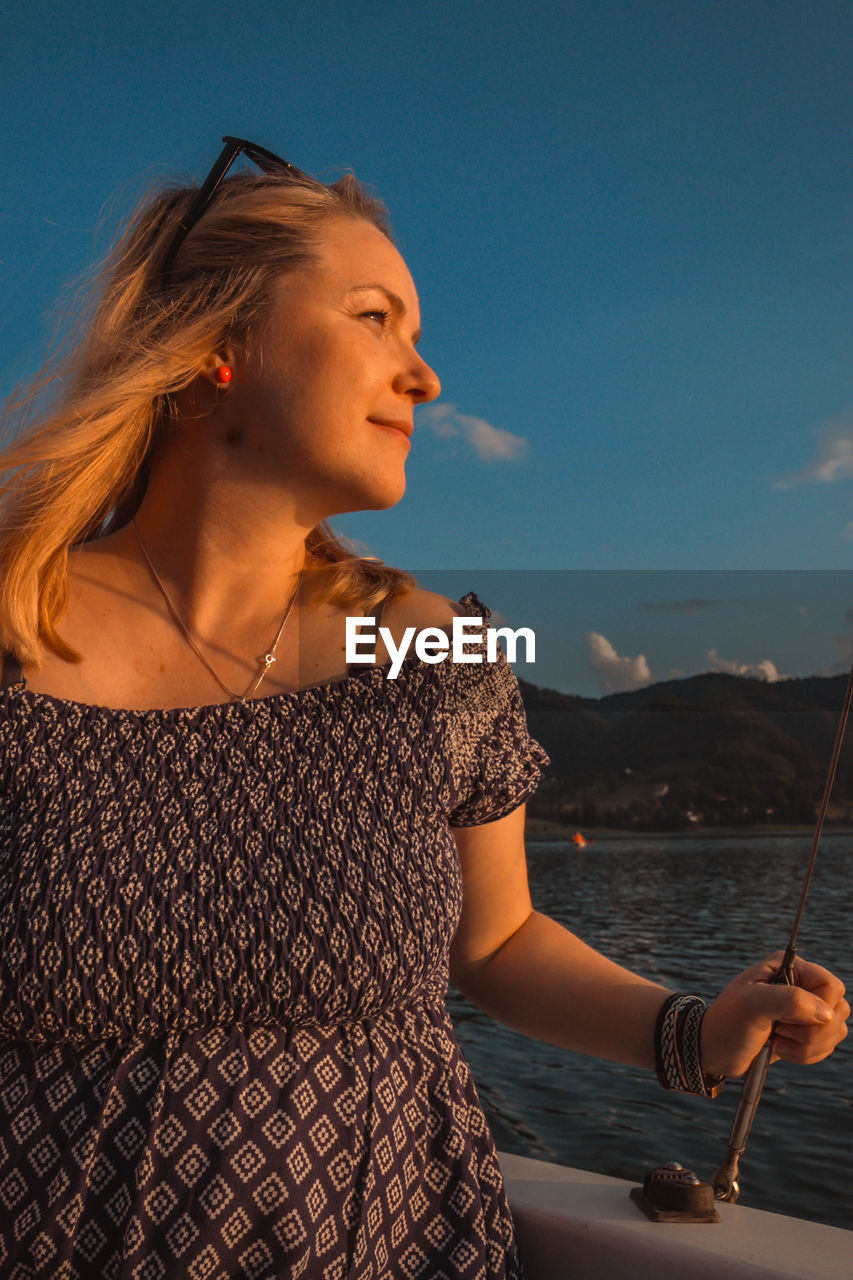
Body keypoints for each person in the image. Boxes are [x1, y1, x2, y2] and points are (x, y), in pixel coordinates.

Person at [0, 136, 847, 1280]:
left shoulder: (433, 652)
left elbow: (495, 940)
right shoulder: (11, 623)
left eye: (417, 329)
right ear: (216, 344)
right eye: (373, 317)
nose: (425, 374)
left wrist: (696, 1031)